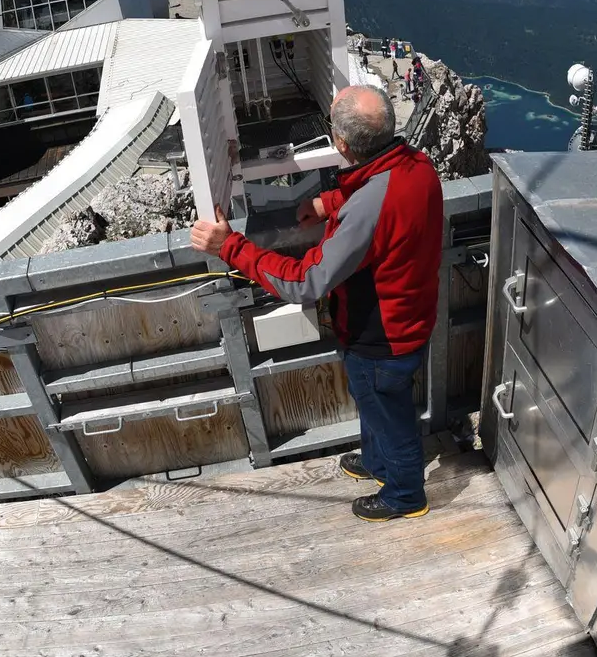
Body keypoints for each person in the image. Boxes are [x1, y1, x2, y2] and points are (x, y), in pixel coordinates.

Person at [190, 86, 443, 522]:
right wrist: (330, 202)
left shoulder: (370, 206)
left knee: (391, 414)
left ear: (342, 145)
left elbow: (305, 282)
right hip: (408, 318)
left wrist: (231, 246)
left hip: (380, 336)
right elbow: (382, 192)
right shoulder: (417, 165)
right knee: (376, 405)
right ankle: (379, 463)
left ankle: (406, 496)